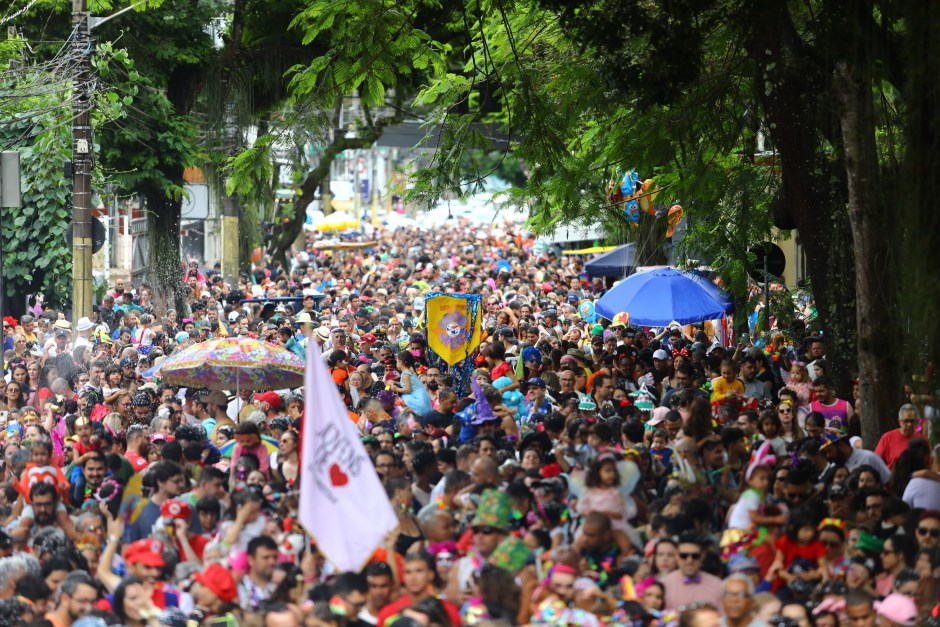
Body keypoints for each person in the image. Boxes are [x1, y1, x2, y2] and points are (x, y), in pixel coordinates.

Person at [662, 532, 721, 611]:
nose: (689, 560)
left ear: (703, 555)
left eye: (695, 556)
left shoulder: (717, 585)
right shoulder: (664, 584)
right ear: (676, 555)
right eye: (684, 555)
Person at [874, 404, 926, 469]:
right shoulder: (887, 438)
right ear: (899, 422)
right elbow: (876, 462)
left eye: (912, 421)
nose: (909, 424)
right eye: (906, 421)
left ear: (917, 422)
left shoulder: (923, 440)